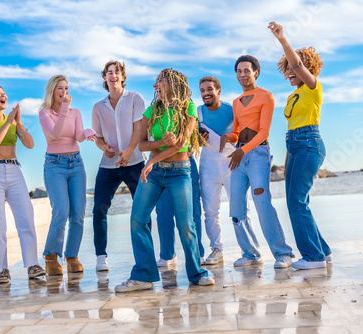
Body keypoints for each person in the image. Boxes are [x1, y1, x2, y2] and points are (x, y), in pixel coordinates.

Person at [115, 68, 214, 292]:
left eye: (159, 82)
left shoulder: (188, 107)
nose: (155, 87)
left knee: (186, 224)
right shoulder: (152, 110)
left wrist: (151, 160)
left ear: (172, 84)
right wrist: (158, 149)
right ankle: (143, 276)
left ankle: (197, 273)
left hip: (180, 171)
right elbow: (141, 144)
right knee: (137, 220)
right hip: (155, 173)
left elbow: (181, 144)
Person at [220, 55, 294, 269]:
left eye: (246, 70)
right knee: (236, 208)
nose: (242, 75)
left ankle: (283, 253)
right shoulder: (235, 102)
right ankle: (250, 253)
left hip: (258, 155)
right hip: (239, 157)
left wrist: (241, 150)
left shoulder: (266, 96)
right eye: (239, 71)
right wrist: (229, 138)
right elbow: (236, 131)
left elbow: (263, 132)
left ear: (256, 73)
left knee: (262, 204)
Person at [268, 22, 332, 270]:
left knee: (297, 202)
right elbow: (292, 127)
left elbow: (297, 65)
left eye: (291, 68)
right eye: (286, 70)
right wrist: (286, 164)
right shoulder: (293, 95)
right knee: (297, 201)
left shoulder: (314, 87)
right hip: (294, 147)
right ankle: (323, 252)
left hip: (310, 144)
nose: (289, 73)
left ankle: (313, 258)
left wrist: (282, 40)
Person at [0, 84, 45, 284]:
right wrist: (9, 122)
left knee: (26, 218)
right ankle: (2, 269)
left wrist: (19, 122)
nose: (3, 95)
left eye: (4, 93)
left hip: (15, 170)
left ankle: (32, 265)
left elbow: (30, 144)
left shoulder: (13, 122)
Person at [91, 60, 147, 271]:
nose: (113, 75)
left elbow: (138, 130)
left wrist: (129, 151)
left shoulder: (135, 98)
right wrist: (104, 148)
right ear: (104, 78)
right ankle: (101, 256)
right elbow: (98, 137)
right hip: (108, 166)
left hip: (134, 163)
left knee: (141, 210)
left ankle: (144, 254)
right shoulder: (98, 107)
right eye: (109, 73)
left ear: (123, 76)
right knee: (99, 210)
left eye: (117, 72)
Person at [39, 75, 96, 276]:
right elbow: (54, 134)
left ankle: (72, 256)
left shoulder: (76, 112)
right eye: (60, 88)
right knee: (61, 212)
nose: (64, 92)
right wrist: (64, 109)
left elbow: (77, 135)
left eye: (66, 88)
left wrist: (87, 131)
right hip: (54, 165)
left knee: (78, 214)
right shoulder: (44, 113)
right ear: (52, 91)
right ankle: (51, 256)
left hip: (76, 163)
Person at [196, 76, 237, 265]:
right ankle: (217, 249)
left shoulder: (231, 110)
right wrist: (197, 139)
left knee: (238, 206)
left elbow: (241, 133)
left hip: (230, 160)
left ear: (219, 90)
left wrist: (229, 137)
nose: (206, 93)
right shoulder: (197, 113)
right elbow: (191, 141)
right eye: (203, 90)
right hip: (208, 163)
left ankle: (249, 250)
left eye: (209, 89)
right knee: (210, 210)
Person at [155, 154, 204, 267]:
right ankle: (167, 255)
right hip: (161, 163)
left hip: (186, 160)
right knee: (163, 212)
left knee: (192, 213)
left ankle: (197, 254)